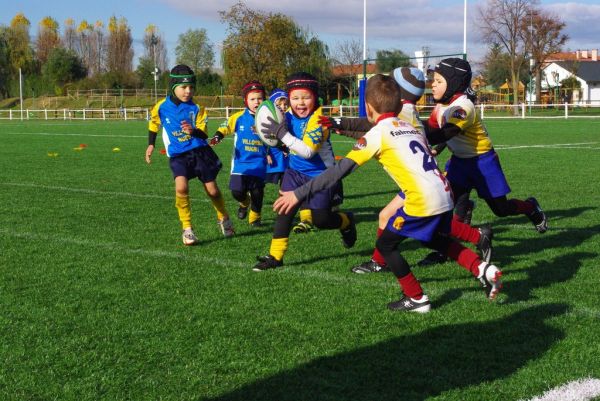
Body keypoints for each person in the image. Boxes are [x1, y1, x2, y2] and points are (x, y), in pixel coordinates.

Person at [274, 74, 503, 312]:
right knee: (437, 239)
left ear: (368, 108)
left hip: (421, 199)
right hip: (444, 193)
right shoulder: (407, 125)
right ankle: (483, 269)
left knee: (386, 245)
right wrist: (345, 129)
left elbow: (338, 172)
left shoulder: (378, 133)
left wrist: (298, 194)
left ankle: (416, 298)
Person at [319, 67, 490, 273]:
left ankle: (383, 264)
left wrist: (340, 122)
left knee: (410, 222)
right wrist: (342, 128)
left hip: (419, 180)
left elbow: (368, 127)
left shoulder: (402, 111)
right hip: (425, 176)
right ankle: (478, 236)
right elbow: (373, 133)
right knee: (404, 219)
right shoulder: (406, 110)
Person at [422, 58, 547, 265]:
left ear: (453, 83)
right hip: (459, 163)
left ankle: (530, 207)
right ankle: (444, 250)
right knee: (445, 207)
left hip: (483, 162)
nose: (432, 84)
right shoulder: (440, 106)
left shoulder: (463, 106)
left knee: (501, 209)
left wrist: (414, 129)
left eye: (438, 80)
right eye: (432, 80)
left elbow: (447, 132)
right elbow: (435, 132)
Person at [252, 72, 356, 271]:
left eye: (306, 97)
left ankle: (346, 221)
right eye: (295, 98)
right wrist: (268, 134)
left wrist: (281, 133)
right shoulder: (287, 116)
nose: (300, 103)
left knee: (322, 220)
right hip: (294, 172)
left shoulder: (319, 120)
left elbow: (307, 151)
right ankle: (275, 256)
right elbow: (286, 144)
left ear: (315, 98)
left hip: (322, 177)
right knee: (285, 209)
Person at [145, 64, 234, 245]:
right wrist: (150, 145)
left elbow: (204, 133)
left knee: (213, 190)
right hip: (178, 155)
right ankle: (187, 229)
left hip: (200, 152)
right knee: (181, 188)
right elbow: (154, 123)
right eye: (184, 87)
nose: (188, 91)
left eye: (191, 87)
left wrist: (193, 131)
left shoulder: (197, 108)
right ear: (173, 87)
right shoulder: (161, 107)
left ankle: (223, 217)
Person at [210, 80, 268, 227]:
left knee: (257, 192)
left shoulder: (269, 118)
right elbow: (225, 127)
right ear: (245, 101)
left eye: (259, 98)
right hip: (240, 163)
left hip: (259, 162)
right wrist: (218, 136)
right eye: (252, 99)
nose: (256, 102)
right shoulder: (238, 117)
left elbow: (277, 136)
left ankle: (255, 217)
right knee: (236, 191)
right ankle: (244, 203)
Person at [264, 89, 289, 187]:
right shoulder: (268, 120)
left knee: (285, 185)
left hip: (285, 159)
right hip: (272, 157)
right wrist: (266, 154)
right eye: (279, 105)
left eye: (285, 104)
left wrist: (287, 148)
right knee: (260, 183)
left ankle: (283, 199)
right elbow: (262, 139)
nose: (283, 107)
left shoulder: (289, 119)